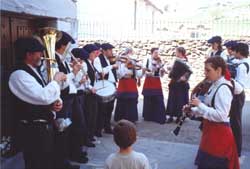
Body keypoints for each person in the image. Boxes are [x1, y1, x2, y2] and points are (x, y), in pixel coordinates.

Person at [8, 37, 65, 169]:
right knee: (36, 163)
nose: (42, 56)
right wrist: (55, 81)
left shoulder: (34, 71)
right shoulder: (19, 74)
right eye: (39, 52)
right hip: (32, 131)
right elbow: (43, 96)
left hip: (42, 129)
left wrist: (54, 104)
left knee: (45, 162)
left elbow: (42, 96)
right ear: (28, 54)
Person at [183, 56, 239, 169]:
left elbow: (221, 115)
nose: (205, 73)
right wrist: (193, 111)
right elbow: (209, 109)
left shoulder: (223, 88)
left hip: (219, 137)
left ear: (218, 70)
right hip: (211, 134)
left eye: (208, 70)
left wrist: (199, 105)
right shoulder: (214, 85)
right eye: (205, 70)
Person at [55, 31, 88, 165]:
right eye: (68, 45)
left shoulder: (62, 60)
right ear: (63, 46)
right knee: (66, 131)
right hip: (65, 100)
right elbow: (60, 83)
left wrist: (74, 73)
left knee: (77, 127)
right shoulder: (55, 59)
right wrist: (74, 72)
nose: (70, 49)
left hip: (71, 98)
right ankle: (66, 158)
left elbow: (67, 81)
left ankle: (75, 152)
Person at [93, 43, 118, 136]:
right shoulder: (97, 59)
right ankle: (98, 129)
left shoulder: (110, 60)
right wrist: (112, 66)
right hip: (104, 86)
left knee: (110, 108)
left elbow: (114, 73)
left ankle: (107, 127)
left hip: (112, 85)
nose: (112, 52)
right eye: (110, 50)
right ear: (104, 50)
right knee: (102, 109)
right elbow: (100, 72)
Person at [231, 43, 250, 158]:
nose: (233, 53)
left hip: (238, 94)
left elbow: (240, 84)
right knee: (234, 121)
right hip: (239, 94)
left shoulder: (242, 66)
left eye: (235, 51)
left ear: (239, 52)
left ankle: (237, 150)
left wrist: (230, 82)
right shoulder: (245, 62)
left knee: (235, 123)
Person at [114, 48, 142, 123]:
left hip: (132, 84)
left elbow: (139, 75)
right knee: (122, 101)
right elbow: (119, 75)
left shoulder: (134, 62)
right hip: (123, 84)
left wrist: (138, 67)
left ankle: (131, 119)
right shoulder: (120, 62)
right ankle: (120, 118)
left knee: (132, 102)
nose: (129, 56)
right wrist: (125, 65)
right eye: (128, 54)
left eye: (130, 54)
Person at [166, 47, 191, 123]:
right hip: (174, 83)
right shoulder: (175, 61)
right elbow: (169, 68)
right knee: (172, 99)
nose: (175, 53)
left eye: (176, 52)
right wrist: (169, 68)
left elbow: (188, 72)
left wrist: (184, 77)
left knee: (180, 100)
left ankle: (179, 116)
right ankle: (170, 116)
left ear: (180, 53)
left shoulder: (186, 62)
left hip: (182, 84)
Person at [142, 48, 166, 124]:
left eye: (158, 53)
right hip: (149, 81)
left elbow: (161, 75)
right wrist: (148, 73)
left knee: (158, 99)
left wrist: (162, 71)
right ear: (152, 53)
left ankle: (159, 117)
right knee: (148, 99)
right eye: (155, 52)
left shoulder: (160, 61)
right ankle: (148, 116)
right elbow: (143, 69)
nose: (157, 54)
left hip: (156, 81)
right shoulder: (147, 60)